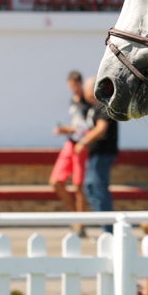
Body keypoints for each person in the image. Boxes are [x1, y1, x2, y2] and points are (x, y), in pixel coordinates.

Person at [49, 70, 95, 237]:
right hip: (70, 143)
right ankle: (76, 215)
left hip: (81, 146)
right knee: (56, 182)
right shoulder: (72, 102)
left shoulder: (87, 102)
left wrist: (66, 129)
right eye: (71, 86)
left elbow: (87, 126)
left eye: (76, 86)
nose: (74, 89)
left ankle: (80, 224)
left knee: (78, 186)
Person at [78, 77, 119, 234]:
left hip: (102, 154)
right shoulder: (94, 107)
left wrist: (84, 142)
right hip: (95, 155)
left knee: (98, 189)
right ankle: (106, 227)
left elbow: (102, 128)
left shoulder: (103, 106)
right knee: (91, 188)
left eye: (87, 88)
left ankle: (109, 230)